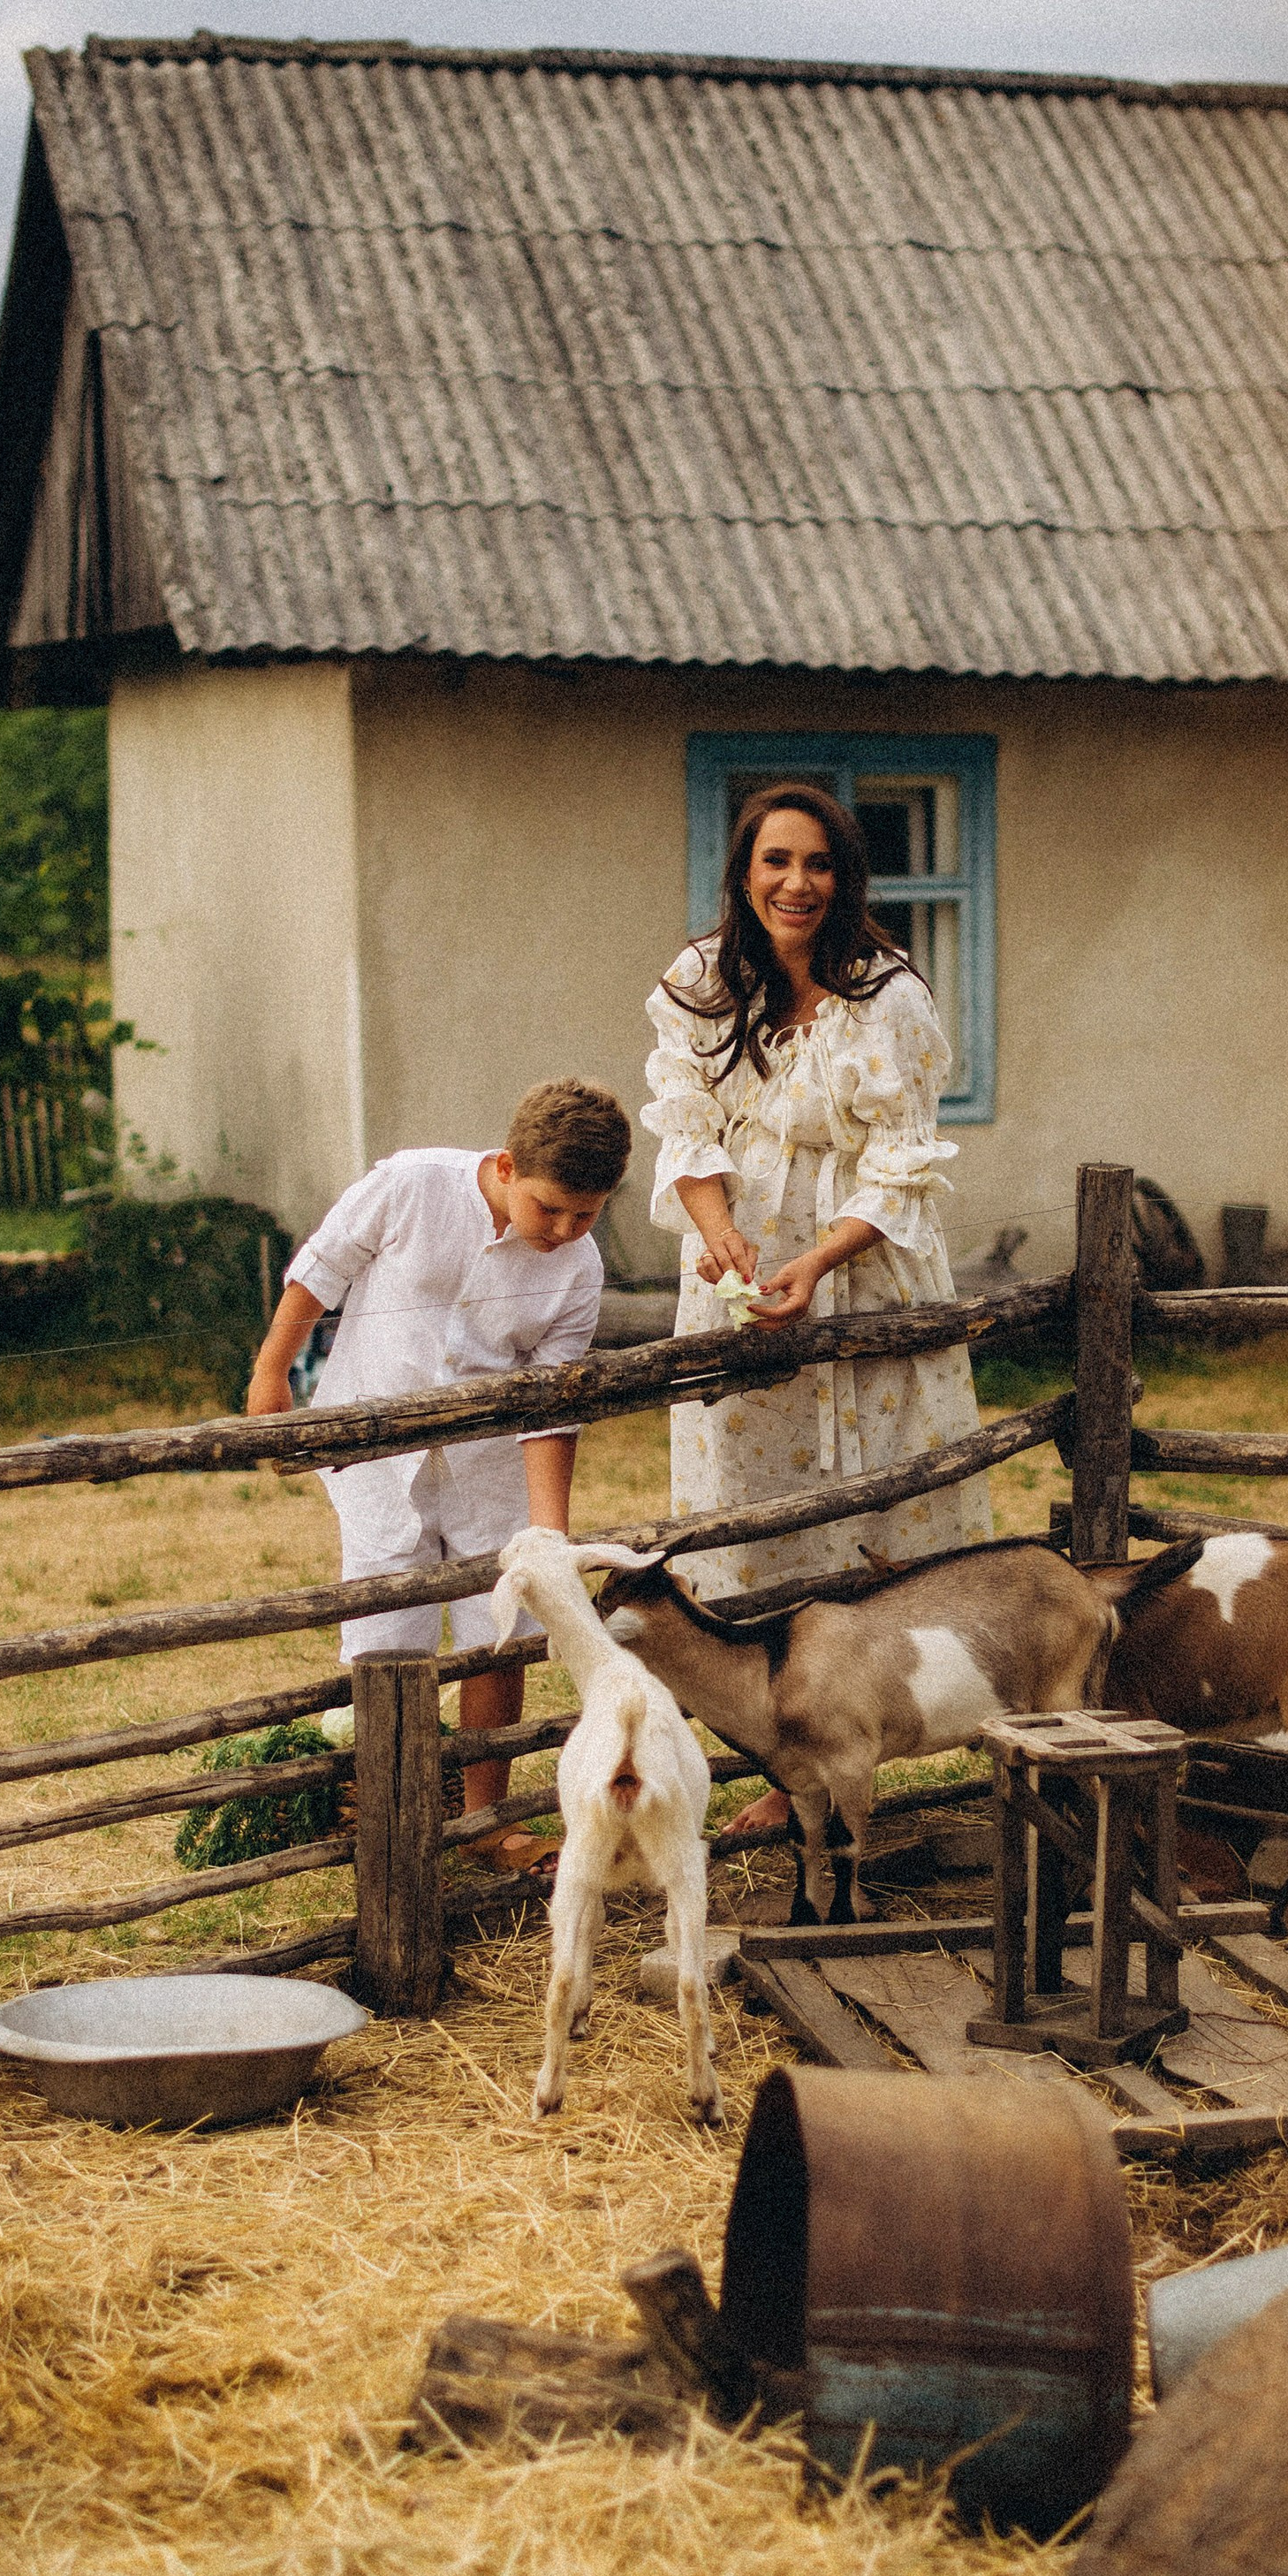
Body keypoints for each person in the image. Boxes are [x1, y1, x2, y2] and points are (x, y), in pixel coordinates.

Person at [643, 782, 991, 1836]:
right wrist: (720, 1240)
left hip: (861, 1271)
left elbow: (901, 1163)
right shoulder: (699, 982)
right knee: (750, 1512)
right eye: (775, 862)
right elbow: (687, 1130)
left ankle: (864, 1739)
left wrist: (817, 1258)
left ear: (846, 879)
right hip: (738, 1278)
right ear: (743, 873)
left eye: (819, 865)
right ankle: (786, 1760)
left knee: (875, 1509)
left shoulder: (887, 995)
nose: (796, 884)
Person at [248, 1079, 632, 1872]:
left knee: (498, 1631)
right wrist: (271, 1377)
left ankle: (487, 1820)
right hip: (375, 1452)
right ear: (505, 1166)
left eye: (585, 1214)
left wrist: (548, 1535)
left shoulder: (578, 1269)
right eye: (548, 1207)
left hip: (489, 1467)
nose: (564, 1230)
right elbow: (318, 1274)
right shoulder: (411, 1185)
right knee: (390, 1637)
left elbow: (551, 1404)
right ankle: (392, 1818)